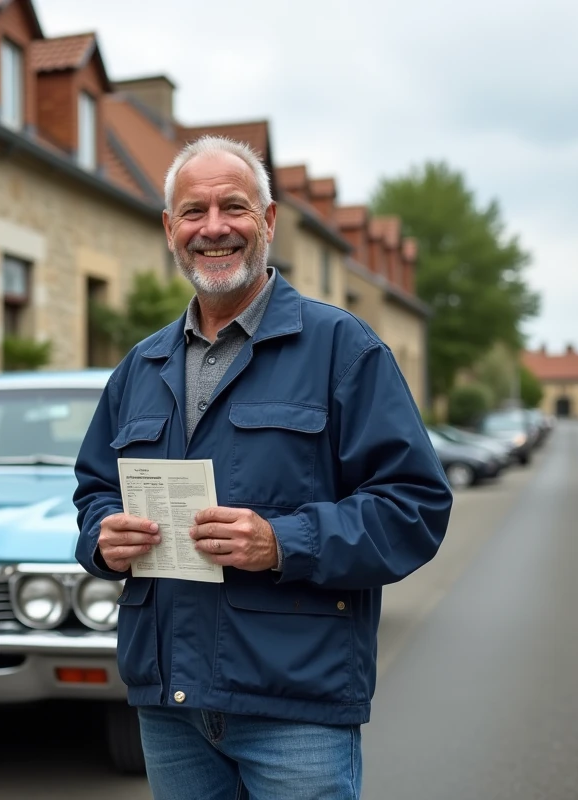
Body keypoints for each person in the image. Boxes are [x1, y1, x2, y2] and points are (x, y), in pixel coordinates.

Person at [73, 135, 452, 799]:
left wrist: (283, 542)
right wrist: (103, 538)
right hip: (170, 706)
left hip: (293, 707)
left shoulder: (343, 350)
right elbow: (95, 492)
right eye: (193, 212)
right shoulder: (140, 367)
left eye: (234, 208)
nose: (213, 228)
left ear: (269, 222)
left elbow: (414, 507)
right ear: (169, 230)